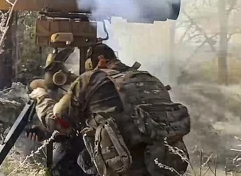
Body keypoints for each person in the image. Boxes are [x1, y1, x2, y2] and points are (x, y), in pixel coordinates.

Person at [29, 43, 191, 176]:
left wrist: (41, 96)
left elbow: (56, 121)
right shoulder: (150, 80)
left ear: (100, 61)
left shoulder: (91, 79)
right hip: (162, 168)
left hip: (123, 169)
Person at [25, 48, 92, 176]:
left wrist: (41, 96)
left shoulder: (89, 86)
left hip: (90, 151)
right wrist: (44, 133)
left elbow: (57, 122)